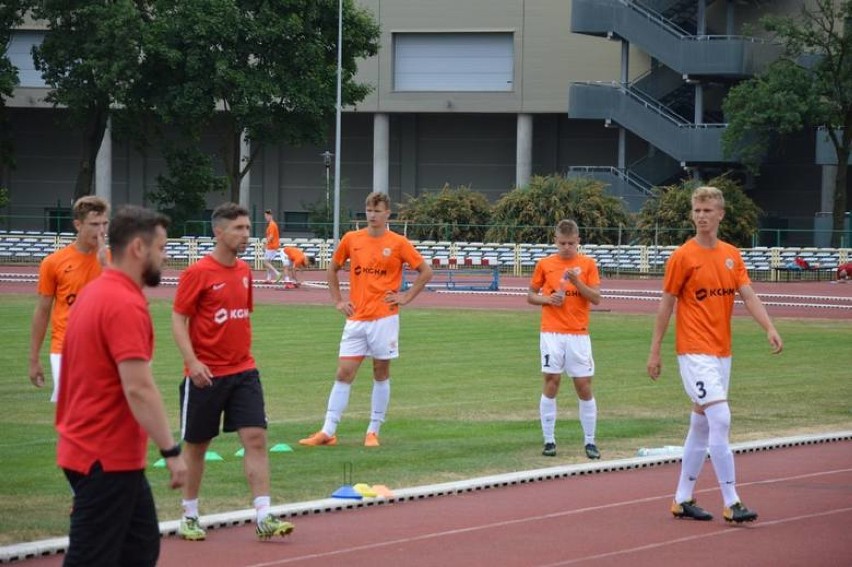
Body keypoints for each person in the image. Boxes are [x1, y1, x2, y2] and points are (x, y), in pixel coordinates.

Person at [56, 205, 186, 566]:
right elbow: (139, 388)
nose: (166, 256)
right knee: (92, 558)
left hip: (93, 448)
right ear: (139, 249)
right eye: (161, 248)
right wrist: (171, 452)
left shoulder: (96, 293)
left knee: (139, 547)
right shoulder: (123, 303)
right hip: (103, 453)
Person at [647, 186, 783, 524]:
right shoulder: (682, 256)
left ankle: (682, 498)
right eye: (697, 209)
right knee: (720, 419)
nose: (701, 215)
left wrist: (769, 327)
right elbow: (666, 305)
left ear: (720, 214)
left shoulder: (731, 255)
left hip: (722, 352)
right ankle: (731, 500)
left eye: (708, 210)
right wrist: (655, 351)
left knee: (702, 424)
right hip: (694, 352)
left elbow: (748, 295)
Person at [172, 202, 294, 542]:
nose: (246, 234)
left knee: (256, 438)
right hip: (205, 375)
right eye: (238, 228)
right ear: (219, 231)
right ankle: (190, 515)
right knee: (197, 446)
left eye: (246, 227)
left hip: (244, 371)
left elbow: (241, 315)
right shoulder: (197, 273)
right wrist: (193, 362)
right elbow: (178, 319)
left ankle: (264, 515)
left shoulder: (244, 271)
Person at [299, 191, 433, 448]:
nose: (372, 215)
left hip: (384, 318)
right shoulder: (352, 239)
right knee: (343, 372)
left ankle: (373, 430)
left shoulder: (398, 242)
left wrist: (405, 297)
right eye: (369, 210)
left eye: (377, 210)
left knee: (380, 372)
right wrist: (338, 300)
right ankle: (328, 431)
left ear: (387, 214)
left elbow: (425, 272)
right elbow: (333, 268)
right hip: (356, 319)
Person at [527, 220, 602, 460]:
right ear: (555, 241)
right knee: (551, 381)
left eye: (571, 243)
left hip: (578, 333)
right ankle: (549, 440)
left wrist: (577, 282)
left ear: (578, 241)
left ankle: (590, 441)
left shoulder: (588, 264)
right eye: (562, 243)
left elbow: (596, 298)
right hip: (552, 332)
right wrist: (548, 300)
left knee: (583, 386)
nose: (567, 248)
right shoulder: (545, 264)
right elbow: (530, 296)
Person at [29, 195, 110, 402]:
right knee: (77, 412)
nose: (101, 230)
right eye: (94, 224)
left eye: (104, 224)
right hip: (66, 348)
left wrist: (107, 266)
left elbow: (129, 302)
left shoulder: (114, 260)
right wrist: (34, 358)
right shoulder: (53, 263)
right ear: (78, 224)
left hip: (105, 349)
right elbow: (43, 310)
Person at [262, 209, 282, 283]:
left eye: (266, 216)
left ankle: (277, 273)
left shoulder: (272, 225)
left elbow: (271, 236)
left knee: (266, 262)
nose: (265, 218)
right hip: (271, 246)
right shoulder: (271, 224)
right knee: (268, 262)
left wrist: (265, 244)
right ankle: (268, 278)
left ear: (270, 216)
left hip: (272, 246)